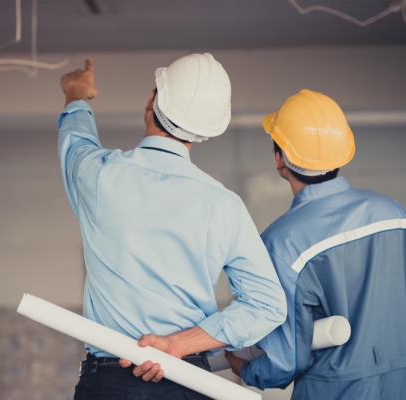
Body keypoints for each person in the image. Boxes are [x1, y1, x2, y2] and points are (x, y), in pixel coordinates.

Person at [58, 54, 287, 399]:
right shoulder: (223, 205)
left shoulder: (98, 175)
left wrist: (76, 94)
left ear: (151, 100)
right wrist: (177, 345)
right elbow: (267, 304)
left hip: (109, 384)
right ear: (205, 133)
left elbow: (76, 142)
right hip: (188, 382)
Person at [226, 89, 406, 400]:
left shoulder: (281, 243)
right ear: (344, 151)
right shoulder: (393, 213)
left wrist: (245, 370)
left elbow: (286, 359)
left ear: (279, 158)